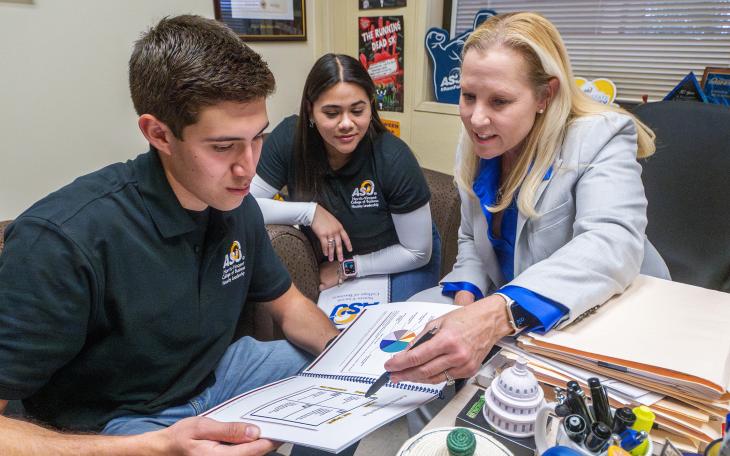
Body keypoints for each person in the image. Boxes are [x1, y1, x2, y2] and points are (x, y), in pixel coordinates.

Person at [0, 15, 348, 456]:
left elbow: (290, 304)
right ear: (158, 134)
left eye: (256, 138)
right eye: (223, 147)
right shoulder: (59, 242)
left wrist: (350, 360)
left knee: (340, 392)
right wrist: (159, 446)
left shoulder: (236, 204)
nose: (248, 168)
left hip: (218, 372)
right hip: (118, 420)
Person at [384, 12, 670, 386]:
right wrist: (468, 294)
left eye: (500, 101)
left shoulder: (600, 136)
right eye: (468, 96)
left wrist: (495, 314)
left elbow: (610, 242)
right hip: (510, 300)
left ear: (544, 95)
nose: (477, 118)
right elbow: (471, 236)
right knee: (422, 350)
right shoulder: (476, 141)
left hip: (600, 306)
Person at [251, 53, 441, 302]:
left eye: (357, 110)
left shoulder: (394, 157)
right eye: (331, 113)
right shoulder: (290, 138)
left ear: (371, 105)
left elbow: (416, 252)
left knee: (394, 338)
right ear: (310, 110)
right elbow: (245, 203)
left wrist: (348, 269)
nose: (346, 124)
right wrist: (310, 213)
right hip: (336, 259)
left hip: (400, 258)